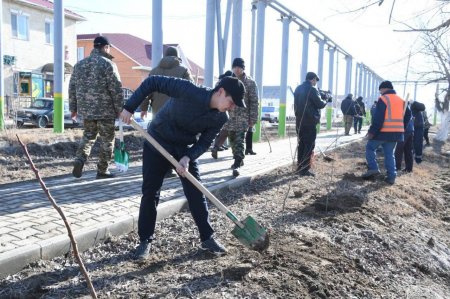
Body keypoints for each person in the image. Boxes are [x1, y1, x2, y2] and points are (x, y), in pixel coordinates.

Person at [120, 75, 246, 259]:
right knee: (150, 191)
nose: (232, 107)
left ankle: (207, 238)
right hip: (157, 140)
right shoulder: (187, 89)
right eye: (232, 101)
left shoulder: (220, 117)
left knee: (196, 190)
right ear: (220, 92)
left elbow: (204, 142)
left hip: (183, 149)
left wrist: (188, 157)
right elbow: (151, 82)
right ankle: (145, 241)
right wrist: (129, 107)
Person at [69, 36, 123, 179]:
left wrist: (73, 108)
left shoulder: (79, 65)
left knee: (88, 137)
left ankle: (80, 159)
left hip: (86, 111)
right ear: (105, 47)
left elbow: (72, 88)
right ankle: (102, 170)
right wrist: (120, 109)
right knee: (107, 140)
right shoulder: (108, 64)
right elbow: (116, 88)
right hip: (106, 111)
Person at [139, 46, 194, 177]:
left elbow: (146, 91)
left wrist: (143, 108)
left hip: (158, 112)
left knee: (160, 140)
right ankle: (177, 166)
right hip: (177, 112)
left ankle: (164, 169)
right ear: (177, 57)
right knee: (176, 140)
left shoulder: (154, 71)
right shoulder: (183, 71)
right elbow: (191, 90)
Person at [212, 58, 259, 177]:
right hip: (228, 116)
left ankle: (237, 163)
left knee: (239, 140)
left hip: (243, 117)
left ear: (243, 68)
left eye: (239, 67)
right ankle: (237, 158)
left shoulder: (250, 83)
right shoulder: (226, 81)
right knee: (232, 141)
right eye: (235, 67)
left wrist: (253, 118)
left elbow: (254, 101)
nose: (237, 69)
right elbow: (217, 95)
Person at [362, 80, 411, 185]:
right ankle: (391, 177)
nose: (380, 93)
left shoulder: (383, 99)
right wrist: (401, 127)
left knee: (370, 147)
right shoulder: (402, 100)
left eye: (381, 90)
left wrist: (371, 132)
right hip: (396, 133)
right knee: (390, 154)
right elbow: (408, 116)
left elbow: (378, 118)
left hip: (382, 132)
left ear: (384, 88)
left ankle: (373, 168)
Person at [294, 71, 330, 177]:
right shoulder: (312, 89)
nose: (315, 83)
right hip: (310, 121)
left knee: (301, 144)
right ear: (313, 79)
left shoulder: (298, 88)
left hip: (299, 121)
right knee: (309, 145)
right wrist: (326, 99)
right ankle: (305, 169)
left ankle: (299, 167)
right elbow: (320, 104)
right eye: (315, 81)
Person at [395, 102, 414, 172]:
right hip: (410, 130)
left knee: (399, 149)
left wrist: (403, 128)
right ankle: (409, 168)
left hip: (405, 131)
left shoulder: (404, 107)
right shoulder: (407, 108)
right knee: (408, 150)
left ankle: (397, 167)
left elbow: (406, 117)